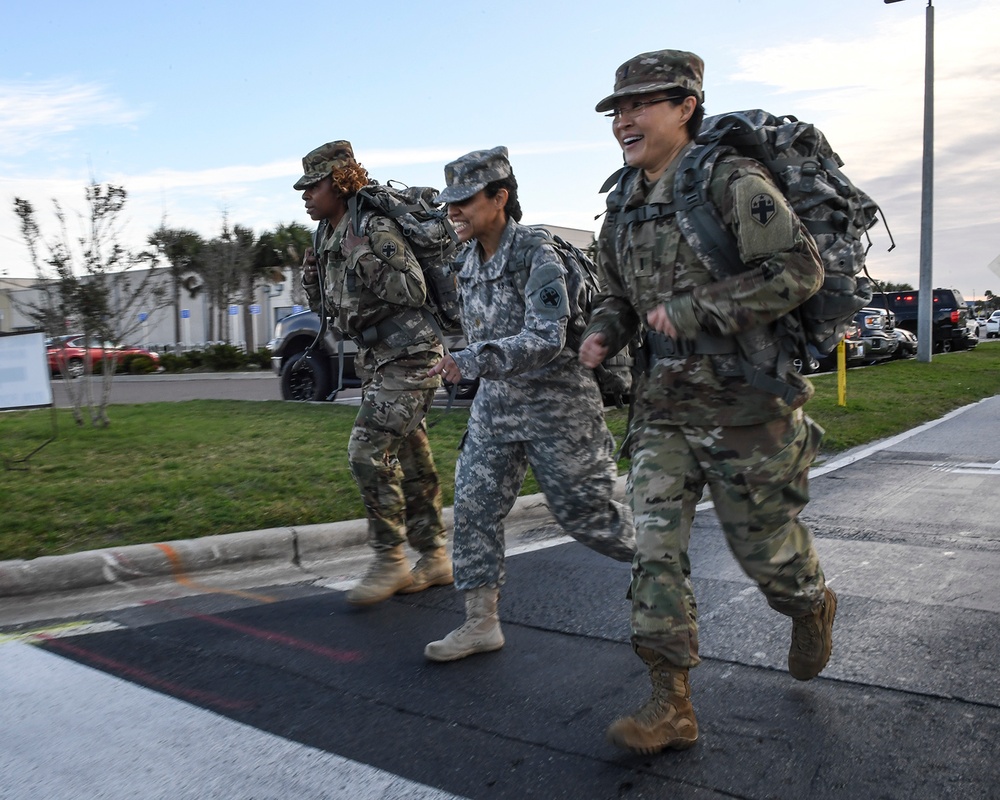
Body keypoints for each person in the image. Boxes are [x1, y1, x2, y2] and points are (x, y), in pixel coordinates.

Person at [580, 50, 837, 754]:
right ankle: (671, 701)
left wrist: (697, 310)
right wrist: (604, 333)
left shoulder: (731, 180)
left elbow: (799, 269)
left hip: (745, 407)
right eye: (618, 110)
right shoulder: (621, 203)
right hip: (663, 407)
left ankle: (810, 603)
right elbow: (616, 296)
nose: (625, 120)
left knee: (767, 555)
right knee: (653, 551)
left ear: (686, 105)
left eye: (642, 105)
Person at [422, 146, 636, 663]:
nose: (453, 211)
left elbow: (546, 338)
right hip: (497, 408)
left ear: (500, 198)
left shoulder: (538, 252)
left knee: (590, 518)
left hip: (558, 408)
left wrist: (471, 360)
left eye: (464, 200)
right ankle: (480, 623)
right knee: (473, 508)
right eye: (449, 202)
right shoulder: (468, 261)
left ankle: (666, 571)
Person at [294, 140, 452, 606]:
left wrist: (363, 255)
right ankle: (435, 555)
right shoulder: (327, 233)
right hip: (378, 359)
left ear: (339, 183)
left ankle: (391, 560)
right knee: (412, 458)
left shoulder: (372, 226)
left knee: (366, 452)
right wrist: (310, 279)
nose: (305, 195)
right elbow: (329, 309)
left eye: (313, 185)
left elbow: (412, 290)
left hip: (412, 355)